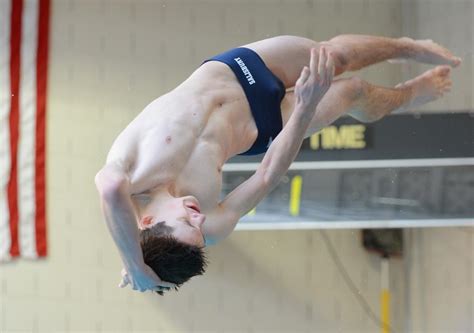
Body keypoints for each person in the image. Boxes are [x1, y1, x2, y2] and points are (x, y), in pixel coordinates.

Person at [95, 35, 461, 294]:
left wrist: (137, 266)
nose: (199, 219)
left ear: (146, 221)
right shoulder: (213, 225)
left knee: (335, 56)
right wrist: (303, 107)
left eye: (187, 223)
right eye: (199, 229)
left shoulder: (129, 175)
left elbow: (109, 190)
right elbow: (268, 174)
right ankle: (411, 94)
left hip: (233, 73)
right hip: (267, 127)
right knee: (354, 91)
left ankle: (408, 46)